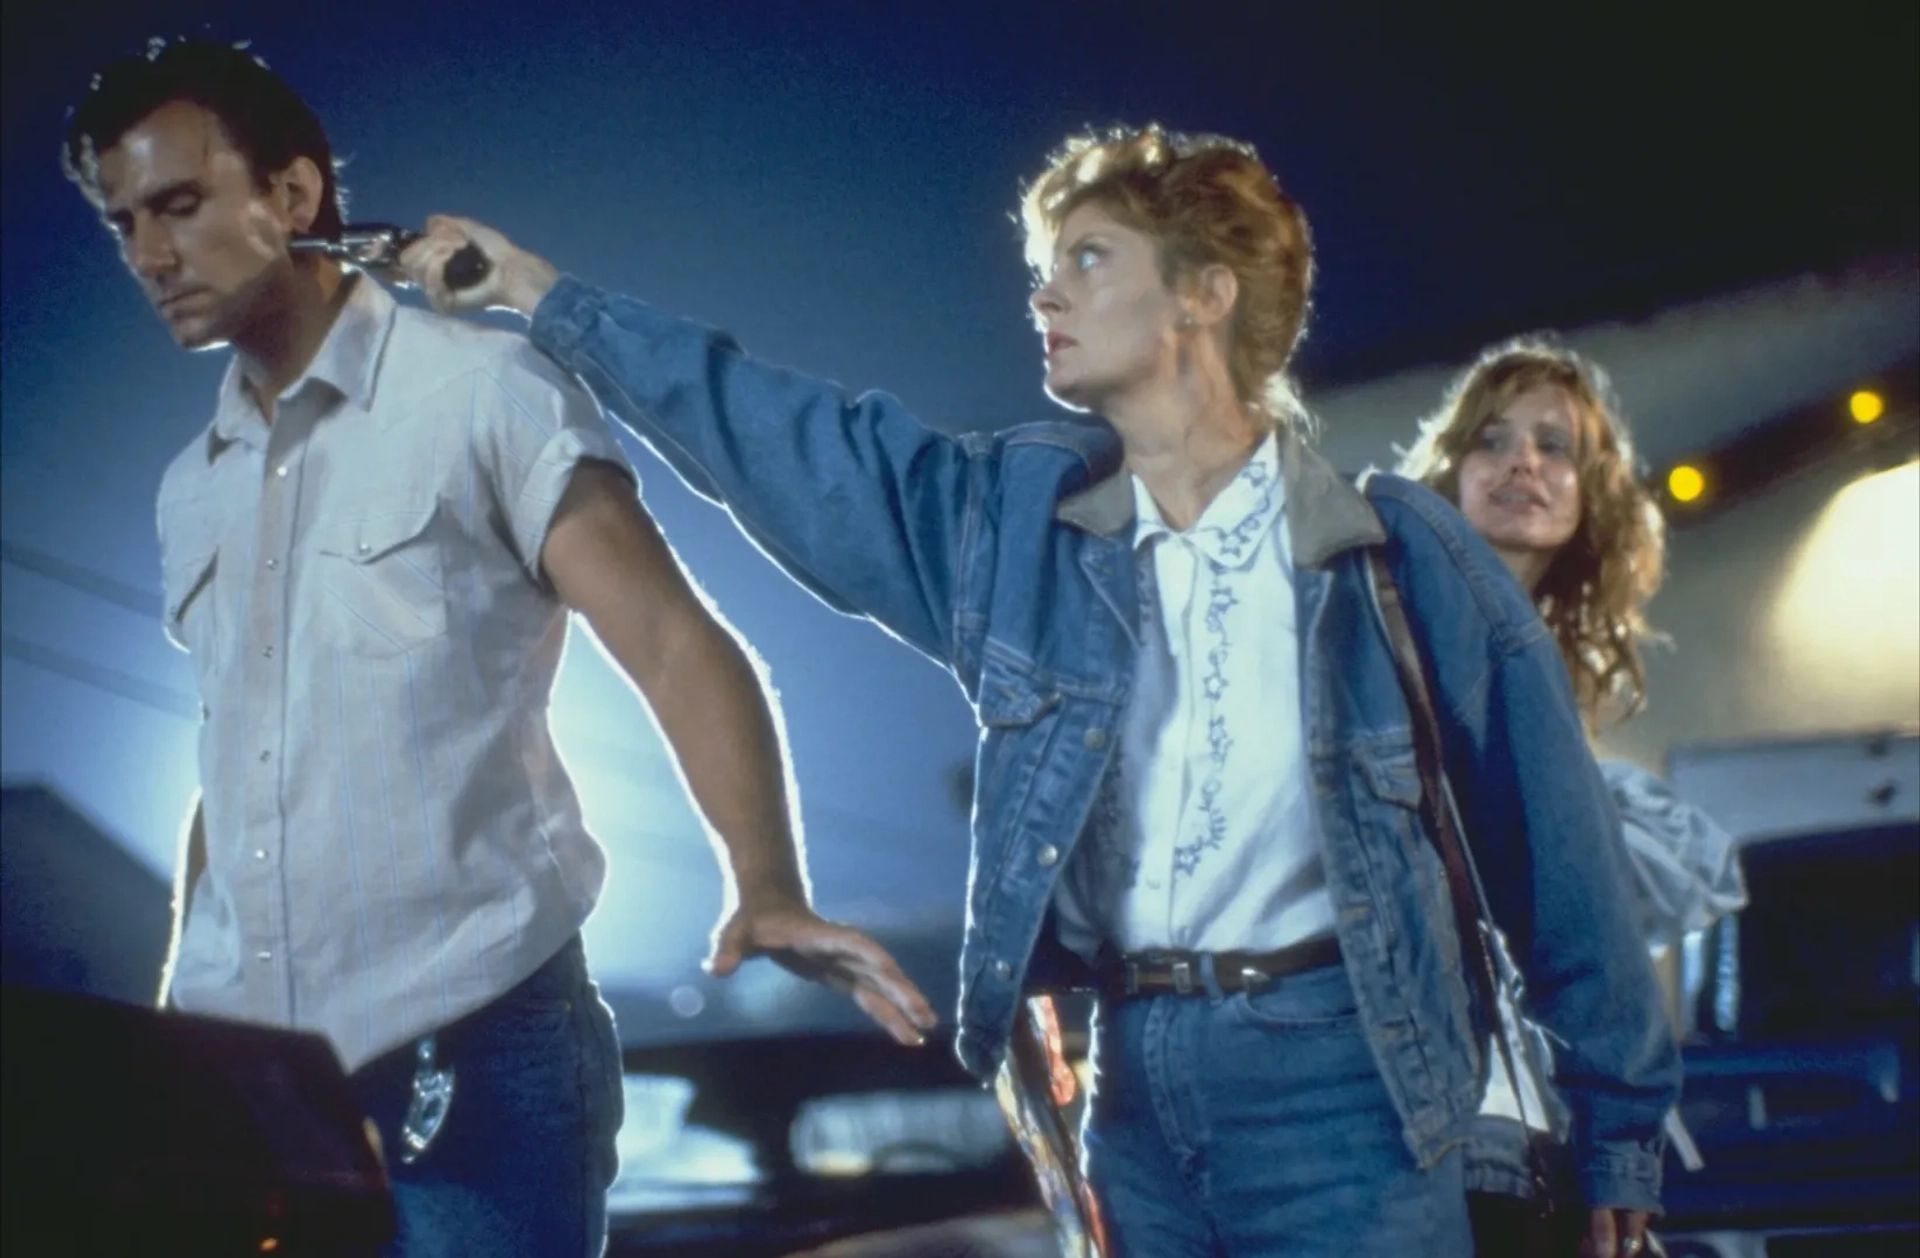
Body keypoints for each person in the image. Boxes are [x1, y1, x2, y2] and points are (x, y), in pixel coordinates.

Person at [398, 124, 1679, 1258]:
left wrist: (1618, 1133)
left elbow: (1555, 853)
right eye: (1044, 265)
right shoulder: (1019, 530)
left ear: (1203, 294)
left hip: (1347, 1079)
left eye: (1088, 261)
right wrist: (541, 296)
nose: (1044, 294)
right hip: (1134, 1080)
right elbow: (786, 437)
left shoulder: (1399, 554)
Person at [61, 37, 934, 1258]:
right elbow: (234, 765)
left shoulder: (485, 393)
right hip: (252, 1085)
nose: (151, 255)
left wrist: (769, 882)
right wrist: (174, 1020)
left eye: (182, 204)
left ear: (296, 196)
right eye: (123, 225)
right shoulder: (188, 488)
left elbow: (676, 643)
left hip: (475, 1054)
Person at [1399, 338, 1748, 1250]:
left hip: (1524, 1106)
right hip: (1418, 1104)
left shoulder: (1549, 675)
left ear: (1591, 488)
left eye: (1555, 447)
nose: (1524, 463)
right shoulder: (1388, 631)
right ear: (1449, 471)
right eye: (1493, 441)